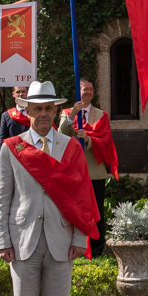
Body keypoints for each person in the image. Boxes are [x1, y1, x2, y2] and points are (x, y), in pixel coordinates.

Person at [0, 80, 100, 296]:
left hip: (61, 239)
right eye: (38, 108)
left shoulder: (70, 147)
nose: (43, 114)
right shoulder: (11, 147)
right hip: (22, 240)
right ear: (26, 111)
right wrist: (2, 240)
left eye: (49, 108)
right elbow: (2, 198)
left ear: (56, 111)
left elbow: (82, 197)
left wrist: (80, 238)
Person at [59, 79, 117, 257]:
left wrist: (89, 140)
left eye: (91, 89)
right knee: (76, 210)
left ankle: (97, 248)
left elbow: (106, 142)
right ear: (79, 91)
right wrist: (73, 114)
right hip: (75, 172)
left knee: (96, 211)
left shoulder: (101, 115)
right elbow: (60, 134)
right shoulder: (67, 113)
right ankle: (76, 247)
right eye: (85, 89)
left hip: (95, 172)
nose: (88, 92)